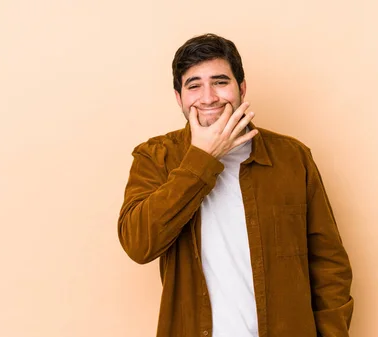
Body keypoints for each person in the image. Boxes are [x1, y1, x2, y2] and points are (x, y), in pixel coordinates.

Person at [117, 33, 354, 337]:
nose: (208, 97)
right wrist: (203, 158)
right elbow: (139, 244)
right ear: (179, 98)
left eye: (220, 82)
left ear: (241, 88)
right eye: (194, 85)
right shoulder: (156, 158)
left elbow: (329, 266)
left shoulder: (292, 158)